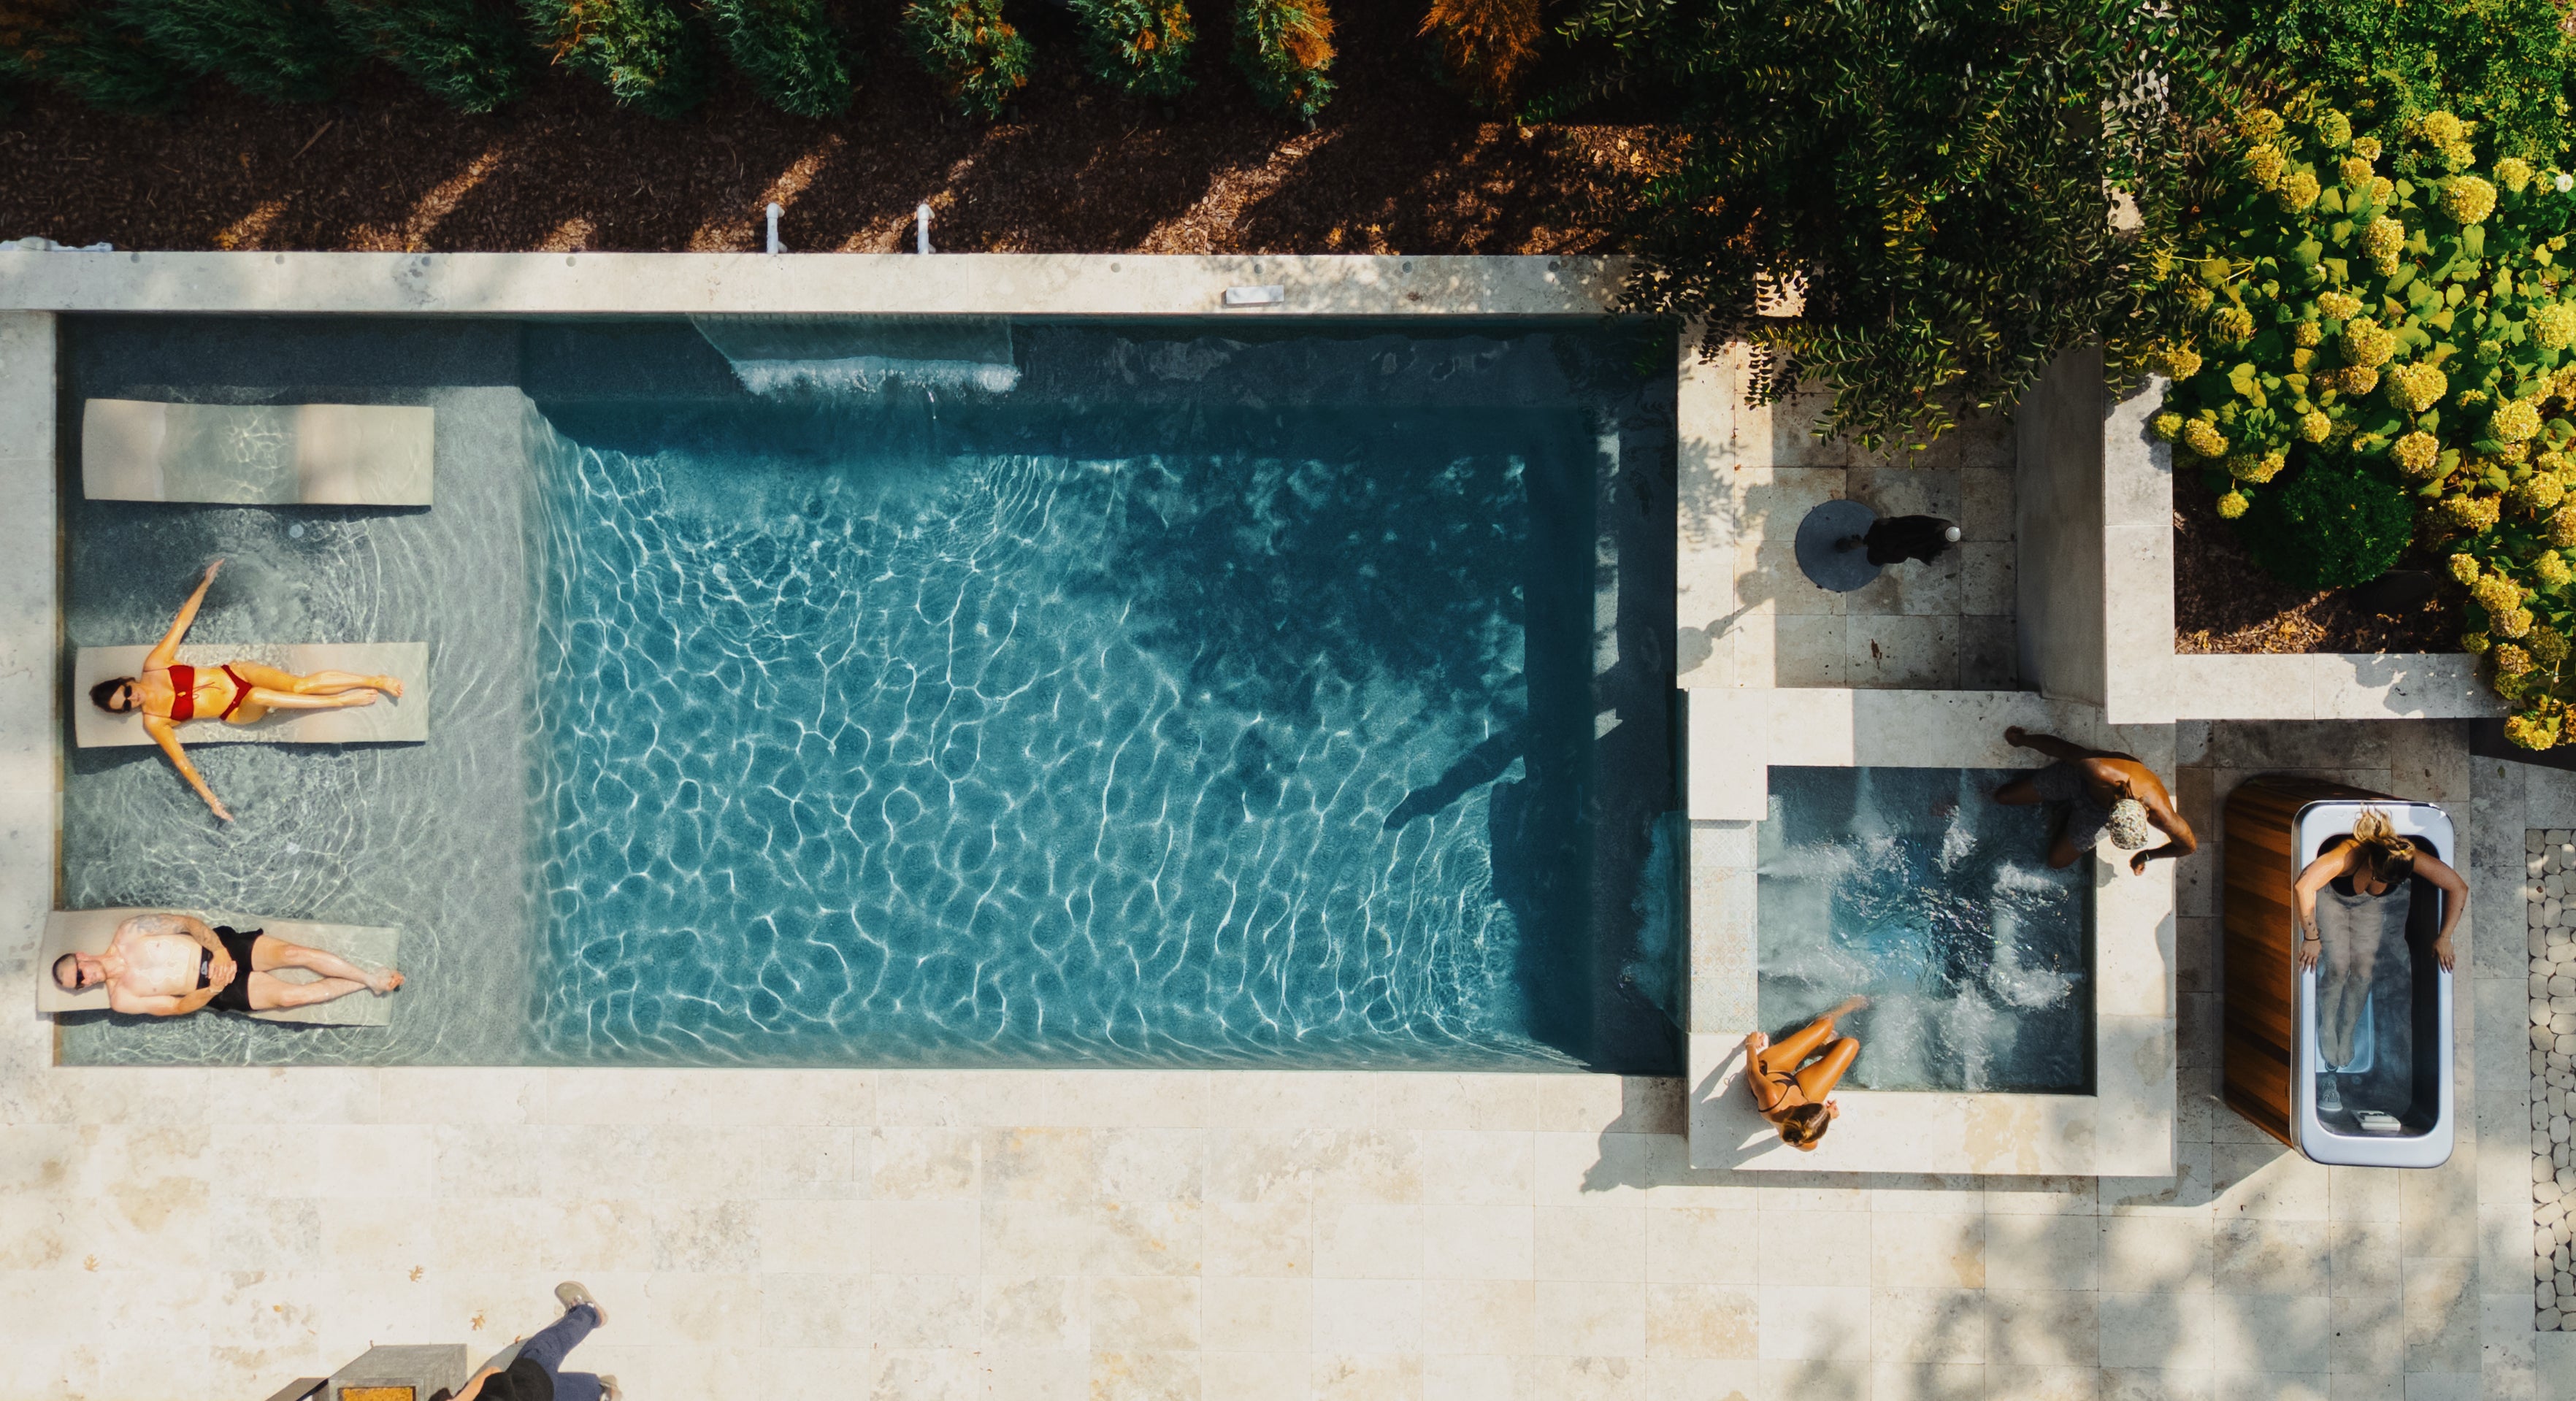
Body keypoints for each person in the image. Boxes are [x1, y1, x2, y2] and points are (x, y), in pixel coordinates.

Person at [88, 559, 405, 822]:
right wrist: (212, 800)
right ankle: (337, 701)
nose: (134, 700)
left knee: (300, 684)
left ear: (126, 682)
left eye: (127, 693)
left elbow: (181, 625)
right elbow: (181, 762)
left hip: (236, 672)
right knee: (257, 695)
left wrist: (206, 584)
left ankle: (374, 679)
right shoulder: (154, 720)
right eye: (127, 706)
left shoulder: (155, 664)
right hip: (237, 711)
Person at [2293, 807, 2465, 1086]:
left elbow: (2458, 887)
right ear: (2372, 862)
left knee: (2362, 971)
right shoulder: (2349, 855)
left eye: (2392, 882)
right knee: (2338, 967)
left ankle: (2347, 1029)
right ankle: (2327, 1027)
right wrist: (2311, 937)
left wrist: (2445, 936)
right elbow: (2304, 886)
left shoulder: (2404, 857)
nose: (2386, 883)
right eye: (2381, 878)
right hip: (2333, 898)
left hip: (2369, 905)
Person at [50, 911, 402, 1017]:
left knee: (296, 956)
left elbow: (185, 923)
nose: (85, 981)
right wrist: (215, 987)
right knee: (292, 998)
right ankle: (367, 981)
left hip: (217, 949)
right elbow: (176, 1007)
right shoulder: (121, 999)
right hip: (212, 989)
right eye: (78, 985)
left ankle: (369, 978)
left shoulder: (129, 932)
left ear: (82, 957)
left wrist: (218, 952)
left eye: (79, 974)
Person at [1993, 726, 2197, 873]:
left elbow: (2188, 847)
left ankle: (2064, 816)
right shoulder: (2101, 772)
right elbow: (2064, 750)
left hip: (2097, 815)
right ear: (2117, 800)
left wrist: (2147, 855)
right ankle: (2063, 811)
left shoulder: (2162, 814)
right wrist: (2023, 740)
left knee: (2057, 862)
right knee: (2004, 797)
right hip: (2078, 781)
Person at [453, 1282, 620, 1401]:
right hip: (530, 1384)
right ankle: (589, 1314)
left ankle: (601, 1394)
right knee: (545, 1347)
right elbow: (493, 1373)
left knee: (552, 1392)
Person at [1742, 995, 1868, 1151]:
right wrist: (1826, 1116)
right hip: (1801, 1090)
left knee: (1825, 1024)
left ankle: (1820, 1040)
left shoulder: (1771, 1097)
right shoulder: (1808, 1142)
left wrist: (1751, 1045)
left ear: (1798, 1108)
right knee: (1850, 1044)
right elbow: (1807, 1132)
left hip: (1773, 1069)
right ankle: (1817, 1050)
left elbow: (1752, 1071)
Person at [1839, 515, 1961, 567]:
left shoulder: (1940, 526)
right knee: (1875, 544)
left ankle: (1854, 545)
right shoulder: (1941, 538)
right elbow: (1915, 520)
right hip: (1895, 543)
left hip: (1894, 540)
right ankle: (1855, 544)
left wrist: (1892, 521)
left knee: (1875, 543)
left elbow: (1914, 520)